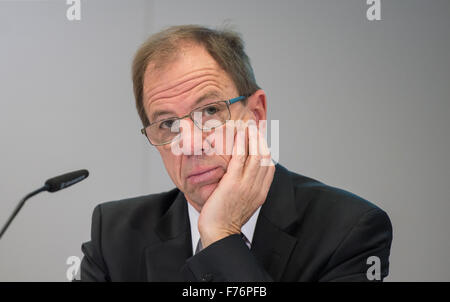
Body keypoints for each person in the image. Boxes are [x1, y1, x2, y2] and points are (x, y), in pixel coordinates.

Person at [80, 25, 392, 282]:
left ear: (256, 113)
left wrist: (220, 237)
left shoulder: (349, 230)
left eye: (211, 110)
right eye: (168, 123)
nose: (190, 143)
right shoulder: (115, 235)